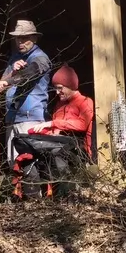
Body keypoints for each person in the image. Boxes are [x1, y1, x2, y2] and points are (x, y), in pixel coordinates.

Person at [17, 65, 95, 198]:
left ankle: (65, 196)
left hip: (78, 148)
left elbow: (82, 125)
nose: (57, 92)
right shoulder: (59, 105)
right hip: (58, 144)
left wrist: (53, 123)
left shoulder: (85, 102)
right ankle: (33, 199)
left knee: (57, 152)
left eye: (60, 88)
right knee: (28, 155)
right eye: (55, 88)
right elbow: (56, 130)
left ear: (71, 86)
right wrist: (44, 131)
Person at [0, 19, 53, 166]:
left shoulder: (41, 58)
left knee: (30, 163)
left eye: (24, 38)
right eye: (18, 38)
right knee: (14, 163)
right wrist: (12, 72)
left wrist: (10, 80)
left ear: (34, 38)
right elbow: (1, 84)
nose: (20, 41)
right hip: (13, 118)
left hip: (31, 119)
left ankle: (34, 190)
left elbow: (31, 72)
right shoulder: (15, 58)